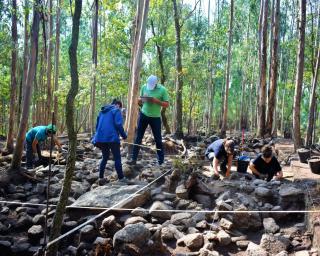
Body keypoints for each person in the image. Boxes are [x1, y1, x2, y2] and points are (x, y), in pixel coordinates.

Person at [127, 75, 169, 166]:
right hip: (143, 115)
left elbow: (166, 104)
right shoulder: (144, 87)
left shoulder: (162, 90)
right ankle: (133, 159)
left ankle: (161, 161)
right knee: (138, 137)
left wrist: (155, 101)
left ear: (156, 83)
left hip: (155, 117)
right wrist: (140, 100)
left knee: (158, 139)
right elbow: (140, 102)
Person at [92, 99, 127, 185]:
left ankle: (100, 177)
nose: (120, 108)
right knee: (117, 158)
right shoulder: (116, 110)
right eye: (120, 106)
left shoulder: (101, 112)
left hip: (101, 138)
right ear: (117, 105)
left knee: (105, 157)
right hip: (112, 138)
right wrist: (124, 136)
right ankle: (121, 178)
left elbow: (97, 126)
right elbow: (118, 124)